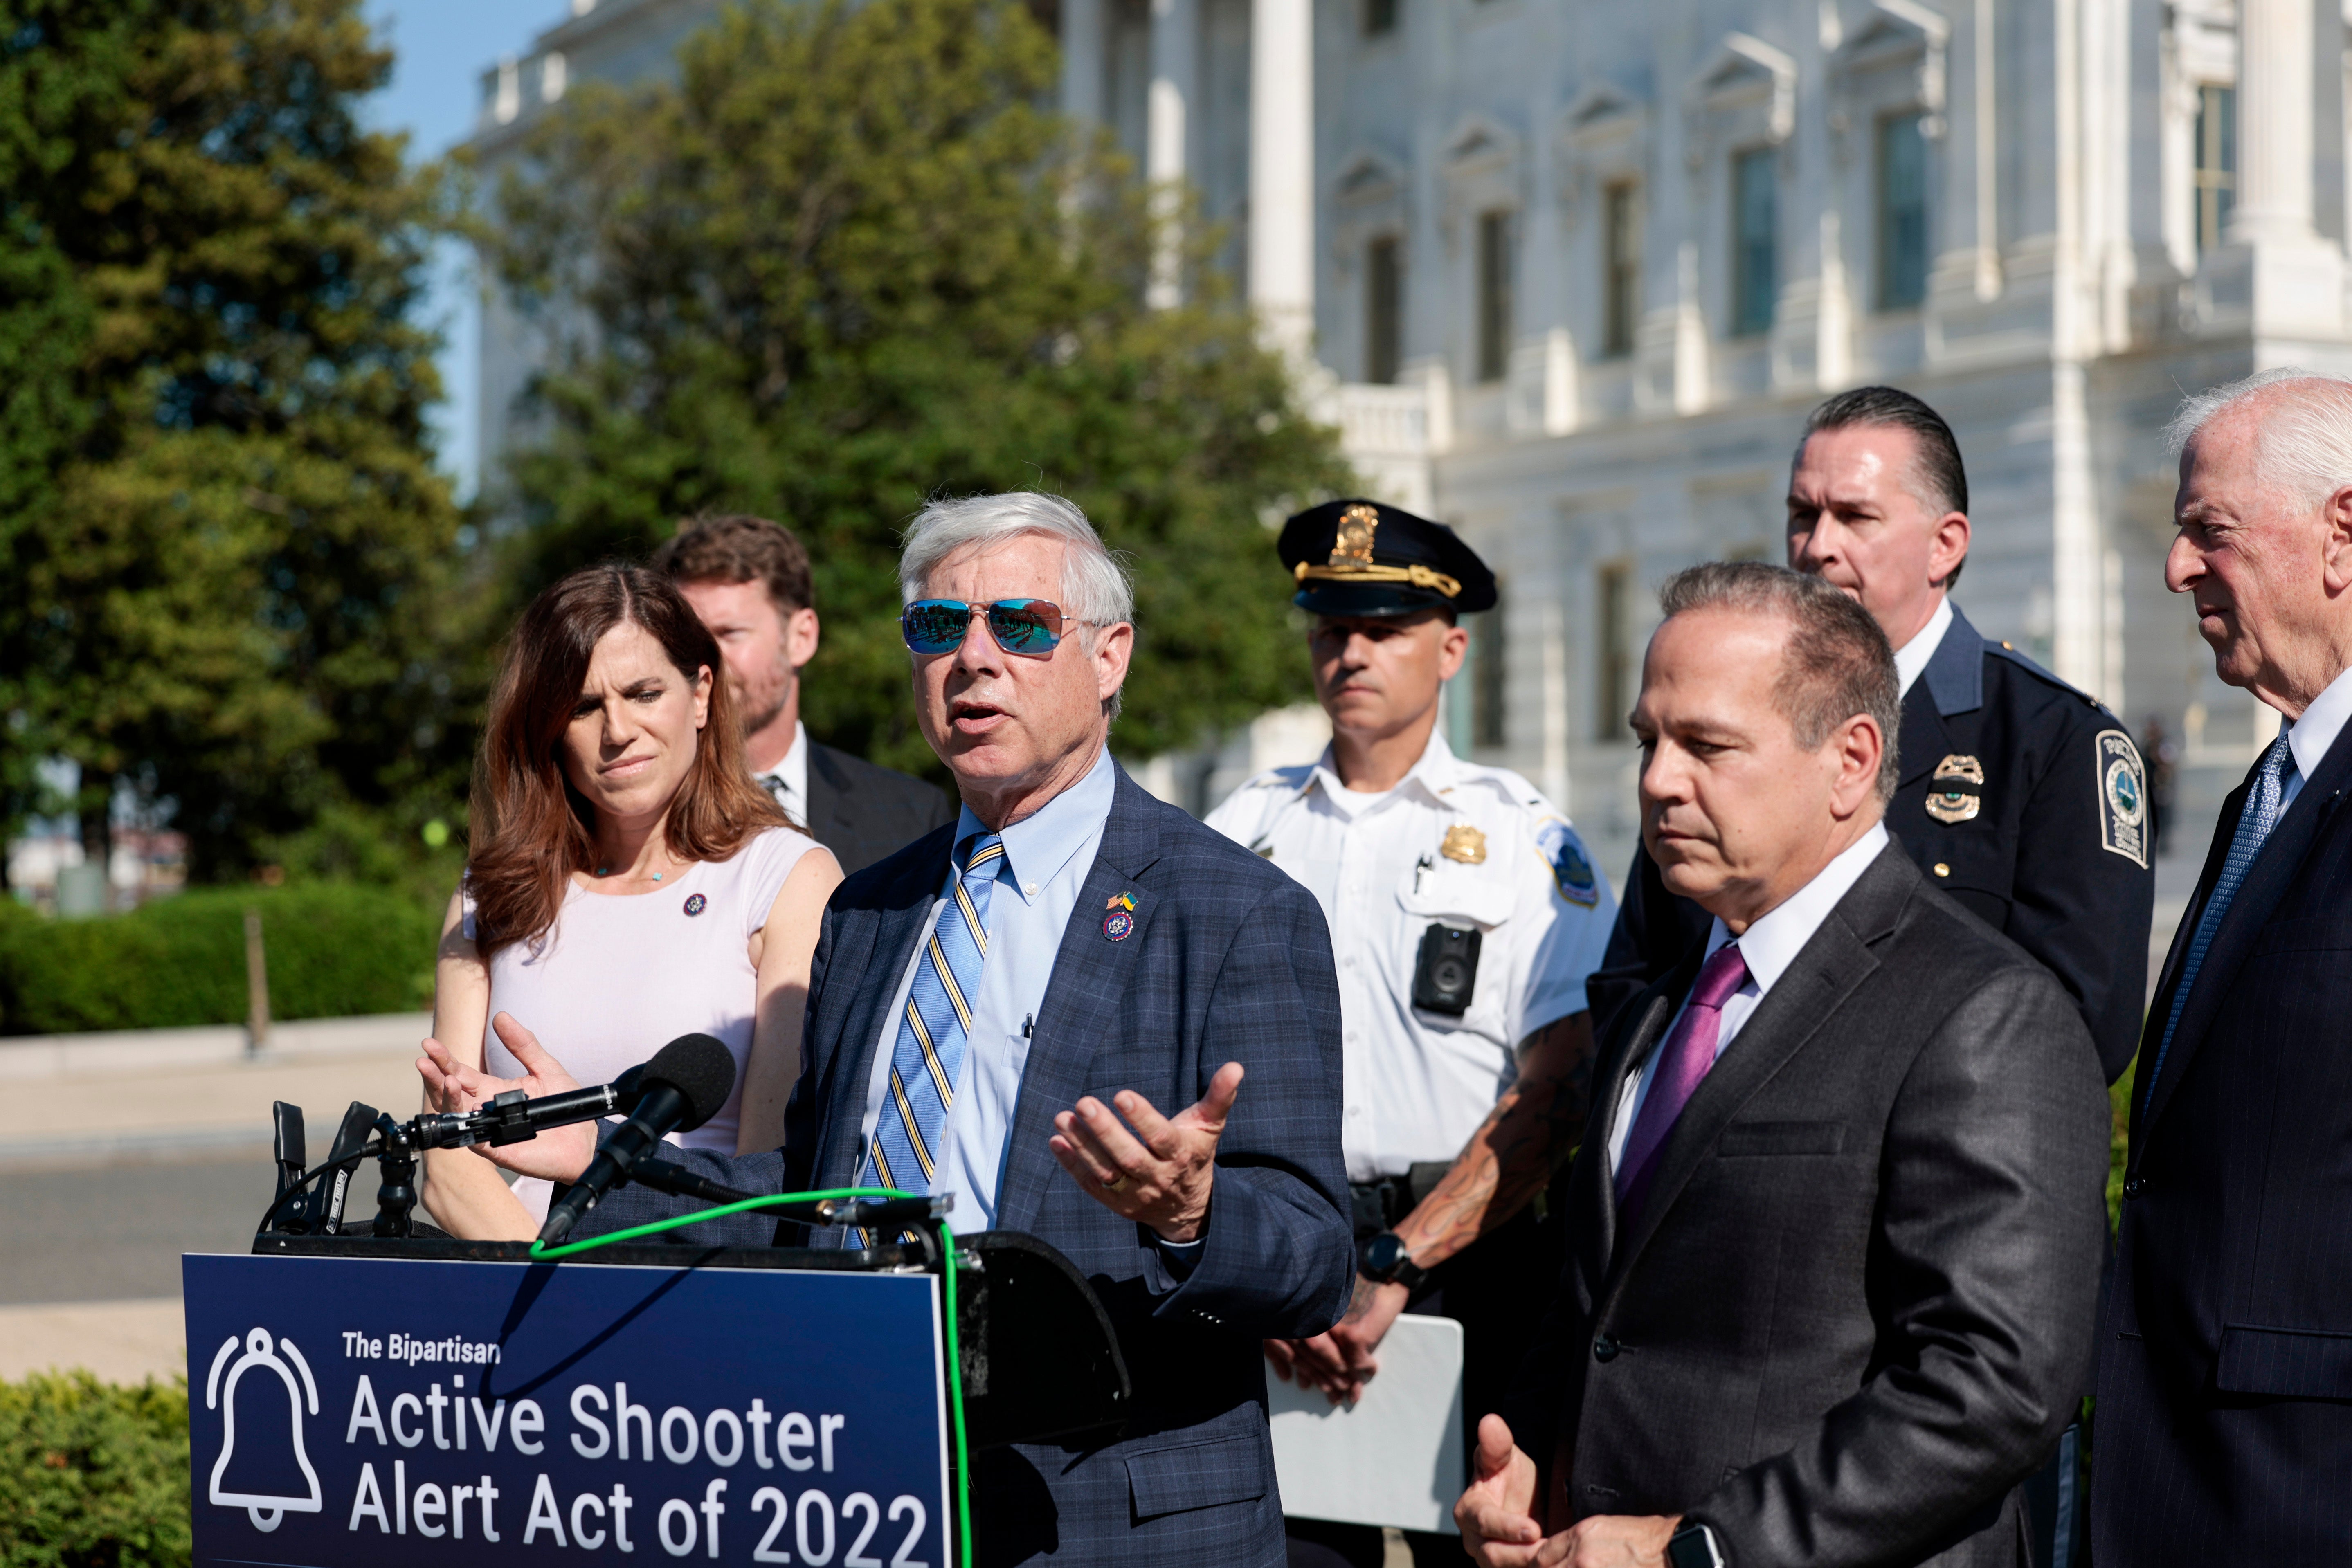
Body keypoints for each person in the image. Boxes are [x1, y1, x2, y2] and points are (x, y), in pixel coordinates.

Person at [422, 492, 1353, 1565]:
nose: (972, 659)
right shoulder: (871, 908)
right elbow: (802, 1196)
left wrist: (1194, 1211)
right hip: (871, 1483)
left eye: (1020, 625)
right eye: (936, 628)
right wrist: (601, 1158)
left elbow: (1314, 1257)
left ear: (1108, 656)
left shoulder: (1232, 909)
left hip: (1111, 1517)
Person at [1455, 561, 2109, 1568]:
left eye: (1707, 745)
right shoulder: (1662, 1000)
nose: (1659, 779)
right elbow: (1603, 1301)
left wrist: (1708, 1549)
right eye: (1648, 739)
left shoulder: (1981, 1010)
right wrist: (1531, 1465)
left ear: (1850, 760)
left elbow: (1994, 1381)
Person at [1203, 499, 1615, 1568]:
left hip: (1468, 1268)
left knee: (1480, 1551)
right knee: (1290, 1552)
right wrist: (1269, 1265)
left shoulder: (1526, 840)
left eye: (1382, 629)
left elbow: (1560, 1085)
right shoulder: (1243, 830)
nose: (1350, 653)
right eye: (1330, 627)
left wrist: (1392, 1263)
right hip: (1284, 1259)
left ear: (1450, 648)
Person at [1590, 386, 2154, 1085]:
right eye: (1803, 515)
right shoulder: (1719, 725)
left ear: (1944, 545)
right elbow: (1635, 983)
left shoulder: (2052, 741)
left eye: (1856, 517)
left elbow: (2078, 1027)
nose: (1818, 547)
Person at [2095, 371, 2352, 1561]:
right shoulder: (2268, 783)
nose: (2173, 568)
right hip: (2187, 1480)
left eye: (2207, 531)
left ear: (2338, 537)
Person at [417, 565, 841, 1239]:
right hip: (513, 1296)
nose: (618, 730)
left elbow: (767, 1190)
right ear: (547, 726)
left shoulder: (787, 877)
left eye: (644, 693)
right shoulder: (488, 893)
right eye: (583, 707)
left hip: (696, 1295)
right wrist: (551, 1294)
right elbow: (446, 1166)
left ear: (701, 693)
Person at [655, 512, 956, 872]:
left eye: (729, 633)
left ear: (801, 638)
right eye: (690, 638)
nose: (706, 659)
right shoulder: (636, 817)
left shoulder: (910, 816)